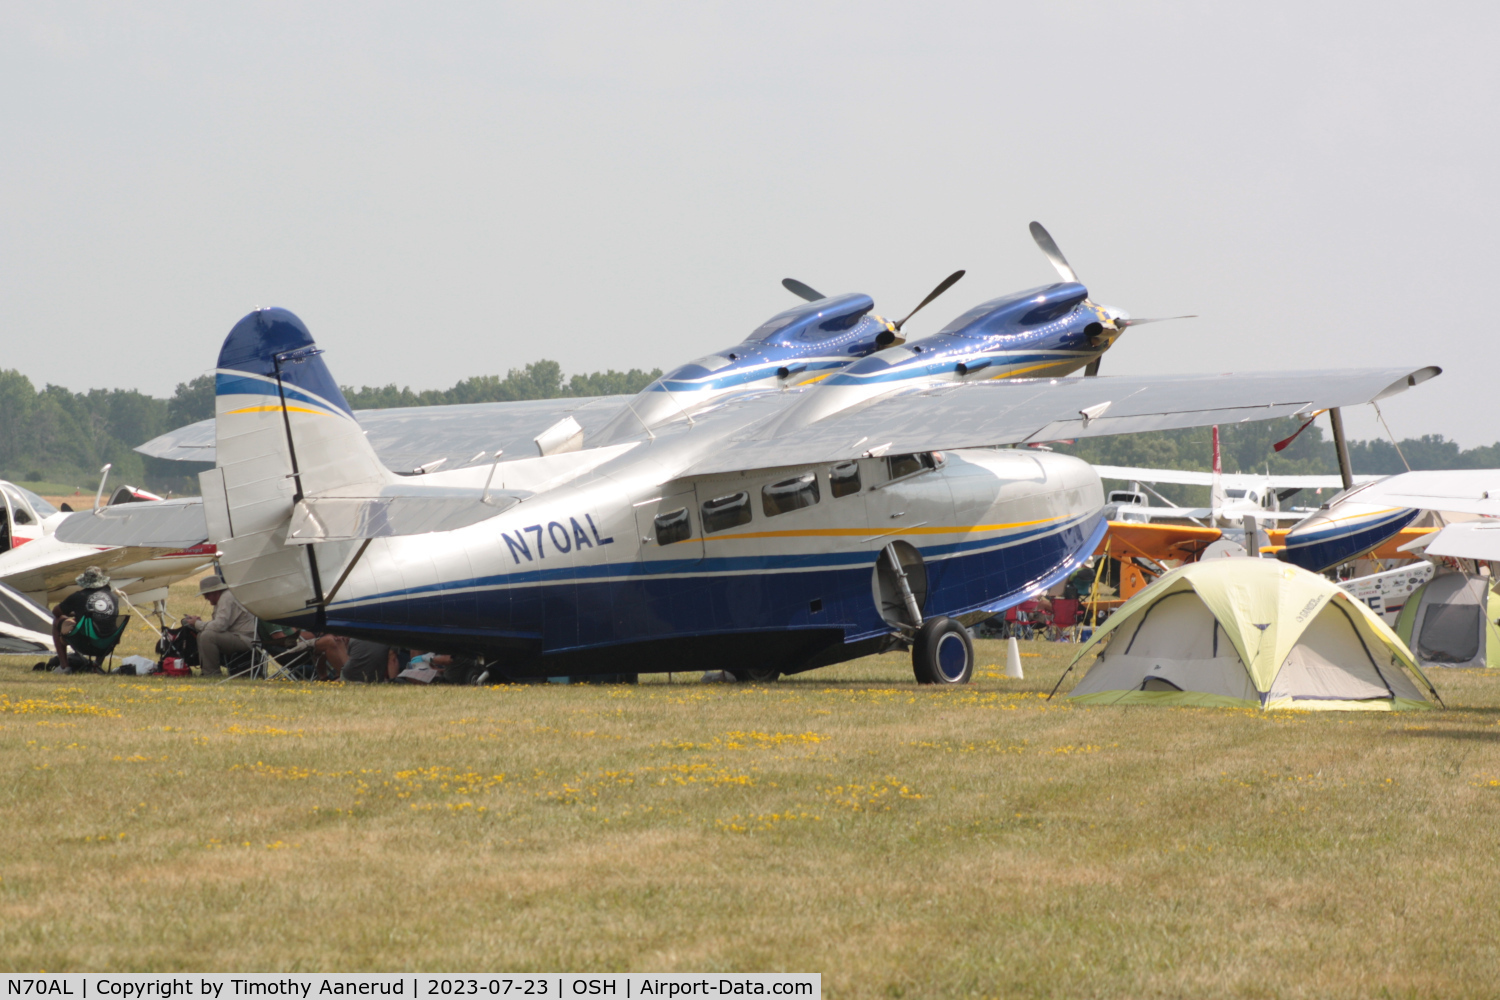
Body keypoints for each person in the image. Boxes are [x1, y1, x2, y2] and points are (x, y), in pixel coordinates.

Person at [182, 575, 257, 677]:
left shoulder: (226, 598)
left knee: (207, 636)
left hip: (246, 639)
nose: (206, 598)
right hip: (239, 636)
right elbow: (219, 624)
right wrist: (200, 623)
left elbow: (219, 626)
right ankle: (207, 671)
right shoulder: (225, 597)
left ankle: (212, 674)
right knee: (203, 635)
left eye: (207, 594)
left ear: (215, 592)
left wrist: (197, 623)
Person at [51, 566, 120, 673]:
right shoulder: (113, 597)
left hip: (84, 643)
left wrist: (73, 612)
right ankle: (97, 665)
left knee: (57, 621)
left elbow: (56, 612)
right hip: (107, 644)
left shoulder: (78, 596)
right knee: (103, 625)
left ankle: (64, 667)